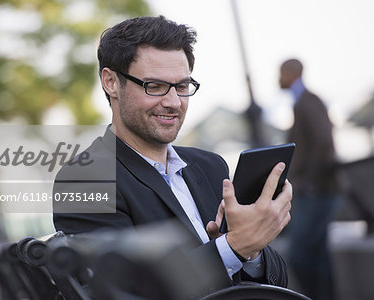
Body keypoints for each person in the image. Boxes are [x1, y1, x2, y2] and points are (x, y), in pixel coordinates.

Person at [53, 16, 292, 295]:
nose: (173, 102)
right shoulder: (85, 179)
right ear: (111, 83)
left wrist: (251, 251)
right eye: (153, 86)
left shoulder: (211, 167)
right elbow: (123, 290)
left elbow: (277, 283)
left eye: (181, 86)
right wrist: (232, 247)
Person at [279, 58, 343, 300]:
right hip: (319, 190)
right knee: (317, 254)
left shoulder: (307, 101)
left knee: (300, 255)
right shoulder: (304, 101)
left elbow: (323, 143)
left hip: (319, 191)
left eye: (281, 73)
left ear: (291, 73)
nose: (278, 79)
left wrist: (309, 182)